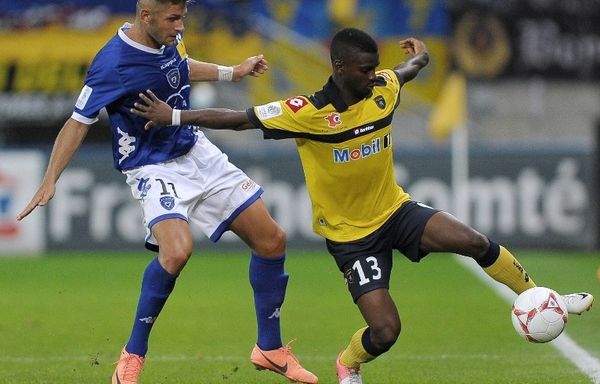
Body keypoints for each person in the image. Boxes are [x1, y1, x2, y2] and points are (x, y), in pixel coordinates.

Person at [130, 27, 594, 384]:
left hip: (396, 211)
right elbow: (238, 118)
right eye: (364, 69)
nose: (373, 75)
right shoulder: (306, 112)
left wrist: (421, 55)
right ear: (338, 67)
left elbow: (407, 71)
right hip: (352, 238)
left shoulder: (383, 89)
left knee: (473, 241)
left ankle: (540, 295)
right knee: (387, 332)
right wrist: (173, 115)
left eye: (376, 67)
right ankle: (348, 363)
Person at [16, 0, 318, 383]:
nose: (180, 27)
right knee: (176, 252)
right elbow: (77, 121)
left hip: (195, 150)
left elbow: (181, 66)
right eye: (173, 19)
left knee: (272, 240)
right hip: (151, 165)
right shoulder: (112, 63)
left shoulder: (169, 37)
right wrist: (50, 178)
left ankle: (270, 349)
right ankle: (132, 355)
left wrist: (234, 71)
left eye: (182, 19)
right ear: (146, 17)